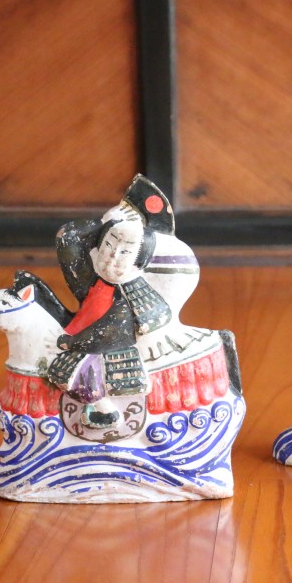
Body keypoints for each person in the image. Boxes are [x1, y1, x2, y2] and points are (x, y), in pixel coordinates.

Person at [44, 184, 174, 429]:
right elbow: (67, 237)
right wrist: (102, 222)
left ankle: (106, 412)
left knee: (78, 375)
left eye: (125, 252)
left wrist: (72, 342)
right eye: (108, 245)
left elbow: (108, 330)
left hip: (97, 346)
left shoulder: (132, 300)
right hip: (75, 335)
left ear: (138, 264)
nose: (112, 256)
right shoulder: (89, 282)